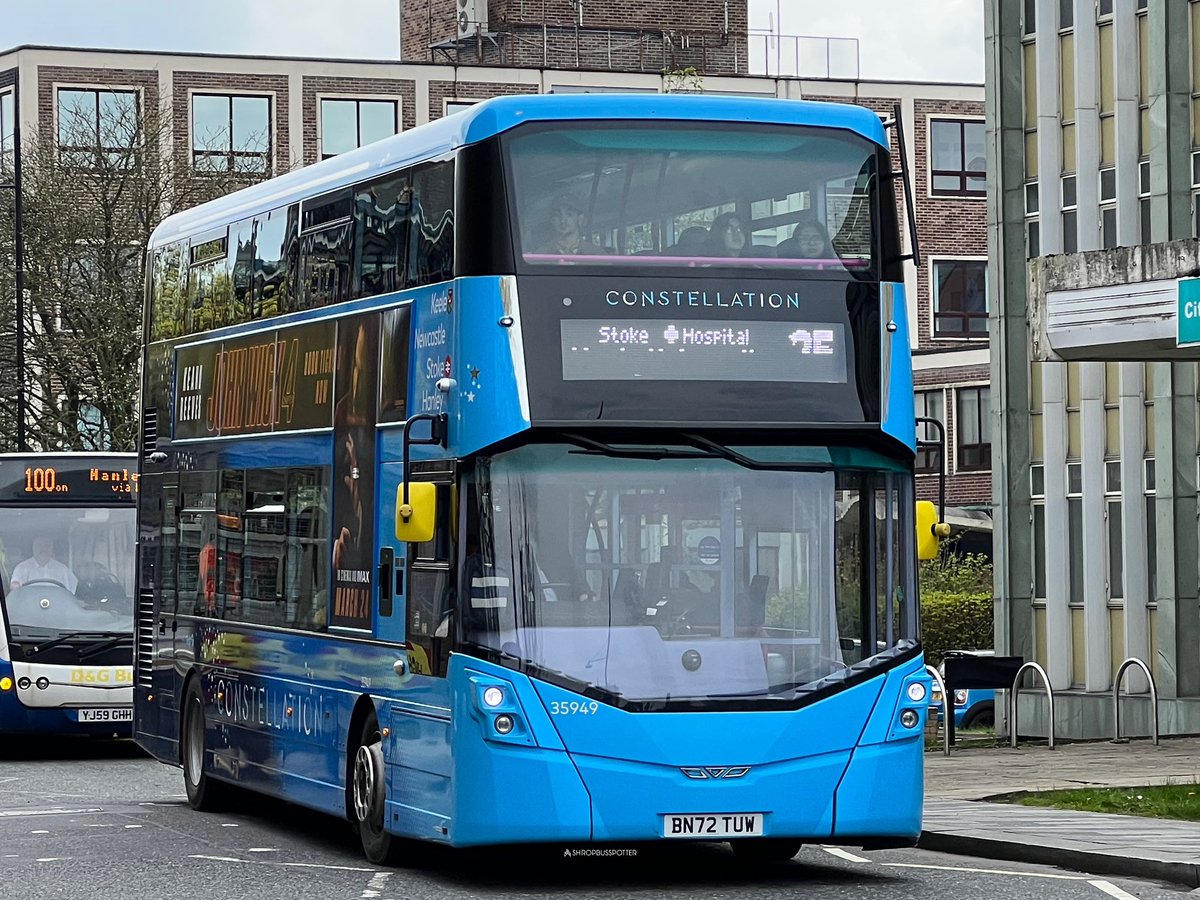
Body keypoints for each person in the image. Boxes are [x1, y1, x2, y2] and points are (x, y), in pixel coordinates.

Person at [539, 194, 605, 255]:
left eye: (569, 214)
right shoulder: (540, 255)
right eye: (557, 215)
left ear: (580, 218)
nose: (563, 220)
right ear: (552, 220)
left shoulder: (596, 254)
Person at [11, 535, 78, 593]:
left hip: (57, 606)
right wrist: (16, 586)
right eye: (39, 545)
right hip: (29, 606)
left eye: (47, 545)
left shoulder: (63, 570)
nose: (43, 549)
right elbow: (14, 588)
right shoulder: (21, 568)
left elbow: (72, 594)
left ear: (52, 548)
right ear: (33, 547)